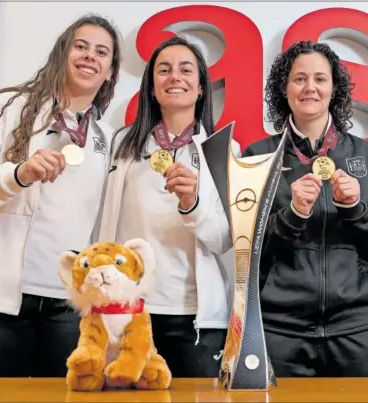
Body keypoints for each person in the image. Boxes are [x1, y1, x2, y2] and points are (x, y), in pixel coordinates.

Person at [0, 14, 122, 377]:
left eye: (101, 52)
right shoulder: (11, 107)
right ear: (62, 54)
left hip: (67, 305)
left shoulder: (107, 137)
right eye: (81, 46)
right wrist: (18, 174)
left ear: (109, 72)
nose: (90, 56)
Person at [241, 40, 368, 377]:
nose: (309, 87)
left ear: (334, 88)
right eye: (299, 79)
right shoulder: (258, 156)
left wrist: (356, 209)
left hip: (358, 330)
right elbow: (247, 248)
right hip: (280, 332)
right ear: (283, 89)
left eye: (320, 79)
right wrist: (293, 214)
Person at [98, 36, 237, 378]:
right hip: (129, 311)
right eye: (164, 70)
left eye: (186, 70)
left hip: (196, 317)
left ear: (201, 87)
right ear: (152, 88)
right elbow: (103, 224)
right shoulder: (122, 145)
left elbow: (224, 240)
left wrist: (192, 204)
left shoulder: (224, 150)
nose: (175, 77)